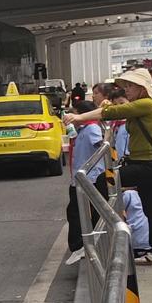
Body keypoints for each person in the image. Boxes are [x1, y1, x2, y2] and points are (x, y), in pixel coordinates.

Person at [67, 68, 152, 263]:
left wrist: (78, 117)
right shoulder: (142, 105)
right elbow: (113, 110)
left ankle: (108, 222)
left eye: (130, 86)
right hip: (148, 163)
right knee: (151, 207)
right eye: (126, 86)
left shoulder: (147, 104)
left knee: (103, 180)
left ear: (142, 88)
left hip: (148, 164)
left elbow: (112, 112)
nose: (126, 90)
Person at [65, 83, 109, 264]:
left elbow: (101, 146)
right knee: (76, 211)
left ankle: (81, 246)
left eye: (74, 114)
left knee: (78, 212)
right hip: (80, 178)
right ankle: (83, 245)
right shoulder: (82, 129)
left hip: (89, 179)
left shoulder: (91, 129)